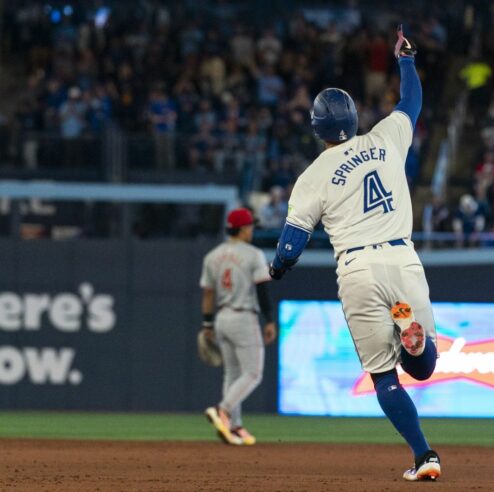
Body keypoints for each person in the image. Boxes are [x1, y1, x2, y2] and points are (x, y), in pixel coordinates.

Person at [268, 26, 441, 482]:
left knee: (385, 377)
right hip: (402, 256)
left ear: (317, 128)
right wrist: (405, 60)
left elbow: (292, 243)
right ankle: (414, 338)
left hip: (358, 268)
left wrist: (278, 268)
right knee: (424, 370)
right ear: (354, 116)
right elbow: (412, 103)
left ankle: (425, 456)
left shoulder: (313, 175)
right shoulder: (385, 139)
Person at [200, 208, 277, 446]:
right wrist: (270, 320)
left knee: (232, 374)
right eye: (250, 226)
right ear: (243, 229)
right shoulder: (253, 254)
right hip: (243, 317)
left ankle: (234, 426)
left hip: (222, 317)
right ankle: (222, 410)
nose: (252, 230)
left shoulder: (213, 256)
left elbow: (208, 294)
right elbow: (262, 289)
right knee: (253, 373)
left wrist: (207, 323)